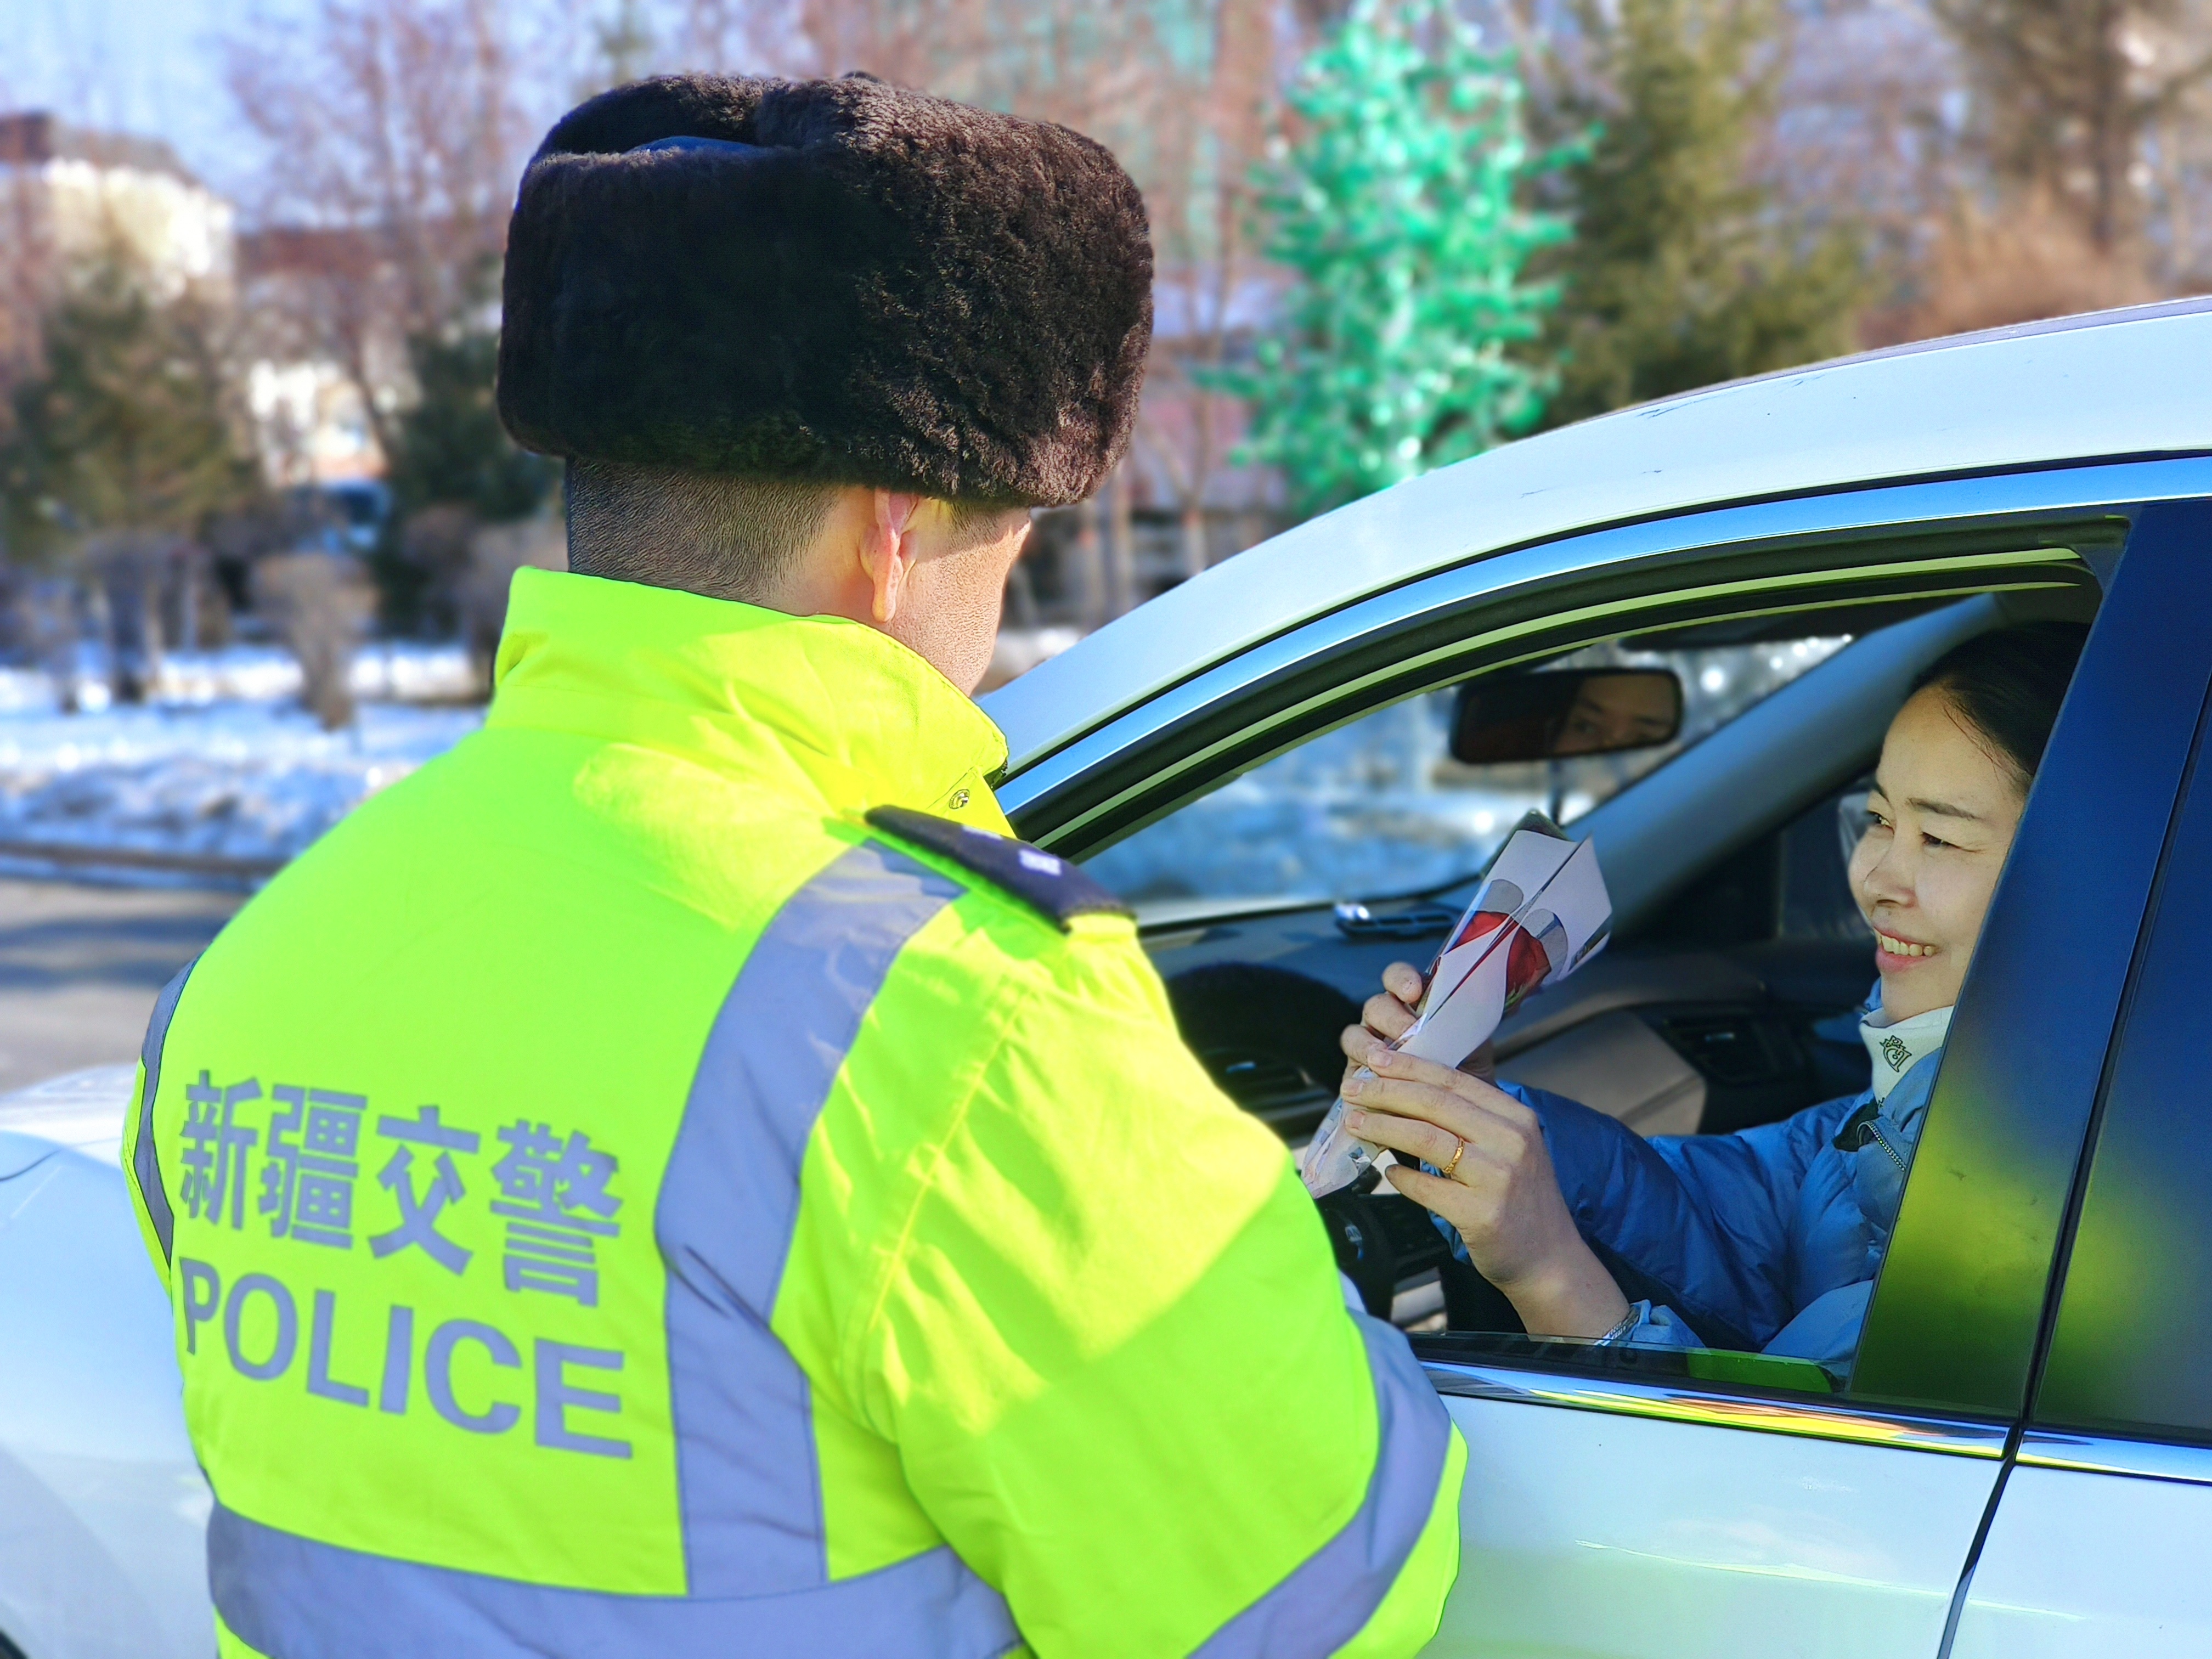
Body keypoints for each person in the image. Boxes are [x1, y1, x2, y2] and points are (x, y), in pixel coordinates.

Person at [120, 74, 1463, 1658]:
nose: (997, 608)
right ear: (897, 531)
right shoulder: (960, 1019)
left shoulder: (265, 961)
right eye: (1007, 538)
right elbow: (1320, 1595)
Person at [1338, 624, 2087, 1370]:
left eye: (1941, 840)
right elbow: (1730, 1221)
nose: (1875, 883)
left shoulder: (2045, 1213)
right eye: (1881, 821)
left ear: (2087, 873)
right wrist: (1474, 1114)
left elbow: (1789, 1483)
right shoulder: (1904, 1112)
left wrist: (1548, 1272)